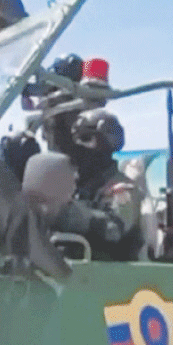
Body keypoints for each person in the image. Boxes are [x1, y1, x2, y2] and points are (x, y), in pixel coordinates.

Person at [53, 108, 144, 261]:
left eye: (85, 138)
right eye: (75, 139)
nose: (78, 146)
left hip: (112, 274)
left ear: (108, 142)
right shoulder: (79, 185)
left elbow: (114, 229)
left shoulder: (123, 188)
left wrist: (67, 214)